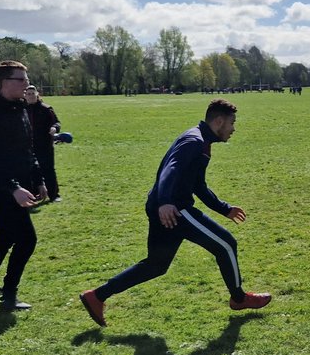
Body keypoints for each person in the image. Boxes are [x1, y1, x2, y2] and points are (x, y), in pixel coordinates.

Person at [79, 99, 271, 327]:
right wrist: (166, 202)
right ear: (218, 121)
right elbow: (171, 168)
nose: (233, 129)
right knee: (226, 244)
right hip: (175, 210)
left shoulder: (201, 141)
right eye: (232, 123)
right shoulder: (194, 141)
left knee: (156, 265)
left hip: (165, 207)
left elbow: (198, 185)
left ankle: (97, 296)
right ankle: (239, 299)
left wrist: (224, 208)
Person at [0, 61, 46, 311]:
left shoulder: (19, 109)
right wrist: (13, 187)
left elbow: (28, 149)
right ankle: (9, 295)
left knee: (6, 235)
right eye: (21, 79)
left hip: (19, 187)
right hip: (1, 188)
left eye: (26, 79)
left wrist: (38, 179)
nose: (27, 84)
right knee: (27, 239)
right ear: (5, 83)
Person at [23, 85, 62, 202]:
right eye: (28, 94)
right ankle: (35, 193)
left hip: (44, 145)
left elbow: (57, 123)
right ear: (25, 95)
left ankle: (54, 195)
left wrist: (54, 128)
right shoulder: (22, 109)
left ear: (37, 94)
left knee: (48, 169)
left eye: (32, 93)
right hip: (27, 146)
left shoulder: (46, 109)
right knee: (30, 170)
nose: (30, 96)